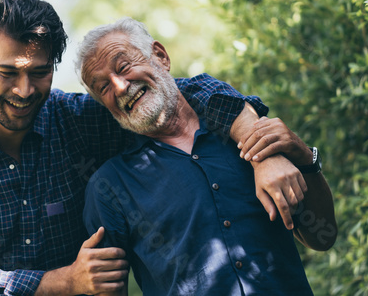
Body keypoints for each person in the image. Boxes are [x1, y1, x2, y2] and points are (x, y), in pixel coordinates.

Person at [0, 0, 308, 296]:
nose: (25, 91)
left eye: (40, 73)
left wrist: (259, 148)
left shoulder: (77, 121)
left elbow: (177, 94)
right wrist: (66, 281)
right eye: (8, 73)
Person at [77, 17, 337, 295]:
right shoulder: (109, 187)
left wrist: (305, 156)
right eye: (102, 87)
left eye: (124, 66)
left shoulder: (248, 134)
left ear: (160, 56)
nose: (118, 87)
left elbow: (322, 237)